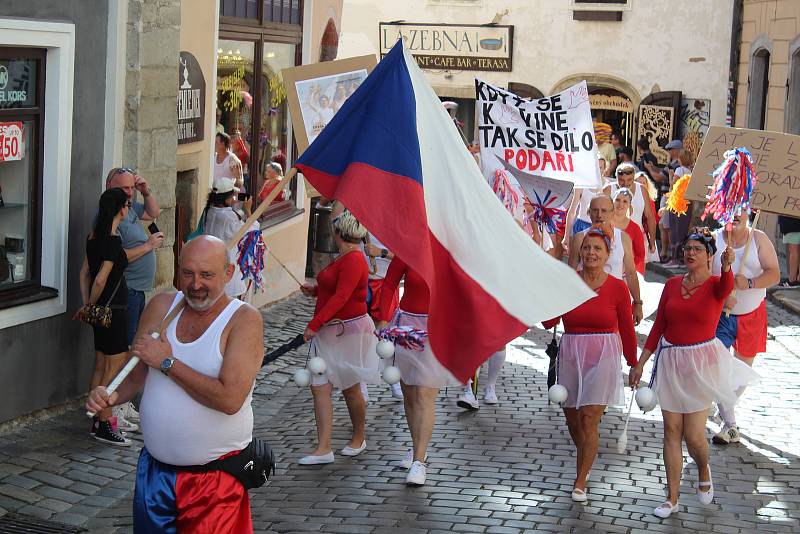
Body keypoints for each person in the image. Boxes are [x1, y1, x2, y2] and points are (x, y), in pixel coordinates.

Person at [85, 236, 264, 532]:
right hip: (155, 475)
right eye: (188, 273)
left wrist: (168, 363)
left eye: (206, 274)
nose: (195, 284)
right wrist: (110, 394)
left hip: (214, 483)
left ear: (228, 273)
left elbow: (229, 399)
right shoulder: (161, 307)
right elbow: (136, 371)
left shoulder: (243, 320)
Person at [630, 228, 758, 519]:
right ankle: (671, 497)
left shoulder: (716, 285)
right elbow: (659, 325)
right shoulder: (673, 284)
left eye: (697, 249)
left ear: (709, 256)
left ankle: (703, 467)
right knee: (671, 432)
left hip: (702, 363)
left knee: (694, 435)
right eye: (687, 248)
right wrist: (641, 362)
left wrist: (726, 266)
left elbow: (726, 289)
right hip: (671, 362)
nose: (690, 253)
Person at [543, 225, 637, 502]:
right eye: (586, 247)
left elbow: (627, 329)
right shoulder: (568, 281)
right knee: (572, 417)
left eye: (598, 248)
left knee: (589, 417)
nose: (591, 253)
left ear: (608, 253)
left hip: (604, 355)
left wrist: (633, 363)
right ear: (579, 252)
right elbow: (548, 321)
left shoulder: (618, 288)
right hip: (571, 353)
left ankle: (580, 480)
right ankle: (587, 454)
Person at [298, 208, 379, 465]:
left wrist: (315, 322)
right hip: (331, 331)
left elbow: (343, 297)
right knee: (319, 386)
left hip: (347, 331)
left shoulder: (354, 260)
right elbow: (336, 289)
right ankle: (323, 448)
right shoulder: (346, 256)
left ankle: (359, 436)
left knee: (350, 387)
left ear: (338, 232)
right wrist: (314, 291)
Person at [87, 167, 163, 431]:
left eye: (132, 188)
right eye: (124, 189)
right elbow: (107, 266)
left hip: (127, 294)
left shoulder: (125, 211)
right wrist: (149, 246)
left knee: (105, 361)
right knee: (119, 358)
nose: (130, 195)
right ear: (110, 188)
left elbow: (154, 212)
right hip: (120, 297)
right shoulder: (107, 222)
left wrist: (146, 190)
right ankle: (110, 412)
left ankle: (102, 412)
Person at [376, 257, 458, 485]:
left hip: (436, 327)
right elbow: (389, 283)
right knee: (410, 393)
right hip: (406, 326)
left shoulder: (450, 250)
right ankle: (416, 449)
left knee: (425, 393)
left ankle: (419, 462)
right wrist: (383, 318)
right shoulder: (407, 249)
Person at [712, 213, 780, 444]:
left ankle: (724, 408)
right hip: (720, 317)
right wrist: (722, 296)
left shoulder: (759, 239)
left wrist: (749, 283)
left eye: (740, 209)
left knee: (742, 373)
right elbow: (702, 278)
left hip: (752, 315)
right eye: (730, 210)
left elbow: (774, 273)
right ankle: (730, 424)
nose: (736, 215)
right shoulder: (714, 240)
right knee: (717, 369)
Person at [75, 188, 133, 446]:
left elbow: (84, 274)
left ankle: (96, 418)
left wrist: (88, 304)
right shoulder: (112, 240)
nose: (129, 208)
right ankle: (105, 421)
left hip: (100, 313)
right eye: (128, 204)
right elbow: (100, 278)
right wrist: (91, 302)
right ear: (121, 208)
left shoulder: (93, 237)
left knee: (100, 365)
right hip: (114, 310)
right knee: (115, 367)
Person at [568, 195, 643, 325]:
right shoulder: (580, 238)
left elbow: (630, 273)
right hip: (586, 298)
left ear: (612, 212)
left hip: (614, 300)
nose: (599, 215)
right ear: (589, 212)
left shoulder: (623, 238)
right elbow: (570, 274)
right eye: (595, 210)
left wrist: (637, 302)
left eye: (604, 211)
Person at [362, 232, 403, 400]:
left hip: (385, 283)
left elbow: (406, 258)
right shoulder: (360, 219)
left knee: (385, 335)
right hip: (361, 281)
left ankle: (393, 379)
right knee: (361, 333)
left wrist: (381, 253)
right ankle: (361, 383)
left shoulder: (394, 223)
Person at [203, 177, 259, 300]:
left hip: (212, 267)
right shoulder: (229, 217)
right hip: (228, 274)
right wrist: (248, 210)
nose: (234, 197)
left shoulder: (209, 211)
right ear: (226, 198)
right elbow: (252, 232)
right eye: (232, 195)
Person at [604, 162, 657, 258]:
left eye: (629, 180)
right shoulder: (608, 190)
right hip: (614, 239)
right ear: (616, 178)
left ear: (633, 178)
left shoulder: (642, 190)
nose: (625, 183)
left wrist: (652, 242)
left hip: (637, 238)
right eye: (621, 180)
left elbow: (650, 217)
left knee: (638, 271)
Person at [664, 149, 695, 268]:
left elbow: (674, 186)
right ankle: (682, 259)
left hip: (677, 204)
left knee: (675, 231)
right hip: (687, 204)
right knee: (683, 231)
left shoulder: (679, 170)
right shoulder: (690, 172)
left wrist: (671, 175)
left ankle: (675, 259)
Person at [610, 188, 645, 275]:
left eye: (625, 201)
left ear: (629, 205)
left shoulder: (635, 228)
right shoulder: (604, 223)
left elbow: (640, 255)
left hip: (626, 274)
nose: (620, 204)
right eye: (617, 200)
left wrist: (626, 268)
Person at [778, 215, 800, 287]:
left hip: (792, 221)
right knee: (794, 251)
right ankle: (796, 278)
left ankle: (792, 280)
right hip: (792, 220)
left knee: (793, 251)